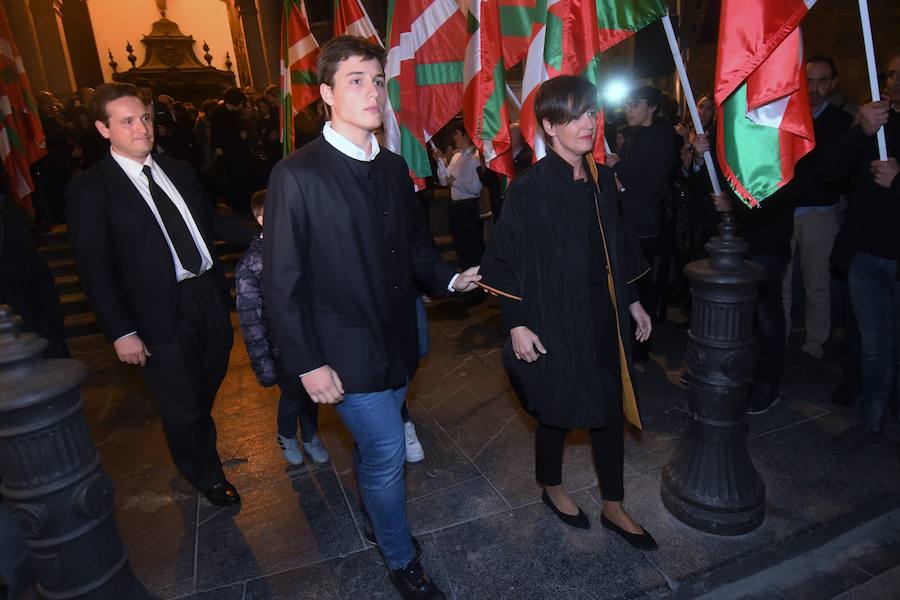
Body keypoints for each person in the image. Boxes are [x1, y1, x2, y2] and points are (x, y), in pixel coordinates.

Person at [263, 36, 481, 599]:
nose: (372, 92)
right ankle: (400, 557)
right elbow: (280, 284)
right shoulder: (297, 174)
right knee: (385, 449)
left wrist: (451, 279)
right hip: (341, 351)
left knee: (375, 452)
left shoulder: (390, 167)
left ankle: (376, 514)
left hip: (398, 340)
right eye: (356, 80)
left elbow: (414, 249)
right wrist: (308, 364)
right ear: (326, 95)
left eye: (378, 80)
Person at [478, 75, 657, 550]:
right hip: (551, 320)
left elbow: (619, 244)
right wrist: (515, 322)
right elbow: (503, 260)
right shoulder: (529, 189)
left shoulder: (602, 180)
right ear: (549, 126)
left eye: (592, 113)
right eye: (574, 115)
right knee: (556, 411)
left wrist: (634, 300)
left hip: (602, 317)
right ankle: (552, 486)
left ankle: (614, 505)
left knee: (609, 410)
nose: (587, 123)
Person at [65, 83, 254, 506]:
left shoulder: (181, 170)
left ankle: (190, 435)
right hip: (153, 312)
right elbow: (94, 270)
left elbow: (211, 222)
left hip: (206, 294)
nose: (141, 128)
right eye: (127, 121)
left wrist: (264, 235)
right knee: (181, 400)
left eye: (145, 118)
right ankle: (204, 472)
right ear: (103, 128)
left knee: (209, 375)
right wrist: (121, 331)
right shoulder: (90, 190)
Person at [823, 52, 900, 447]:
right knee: (873, 342)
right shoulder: (874, 121)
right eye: (891, 74)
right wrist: (860, 132)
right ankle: (872, 421)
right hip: (866, 254)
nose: (895, 81)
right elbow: (831, 169)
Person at [235, 190, 330, 466]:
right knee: (292, 396)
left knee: (313, 392)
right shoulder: (251, 264)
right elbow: (250, 320)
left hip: (309, 339)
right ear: (263, 219)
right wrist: (263, 364)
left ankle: (311, 436)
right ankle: (286, 434)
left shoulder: (299, 249)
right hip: (281, 348)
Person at [781, 57, 853, 360]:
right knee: (780, 281)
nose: (814, 88)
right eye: (809, 81)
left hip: (819, 213)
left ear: (833, 83)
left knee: (817, 282)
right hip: (785, 212)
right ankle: (779, 336)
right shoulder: (787, 117)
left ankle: (815, 341)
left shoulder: (840, 122)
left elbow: (838, 168)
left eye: (822, 81)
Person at [608, 84, 677, 341]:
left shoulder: (660, 138)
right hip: (627, 220)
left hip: (645, 225)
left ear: (652, 107)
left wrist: (619, 166)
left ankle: (641, 340)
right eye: (626, 104)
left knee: (639, 283)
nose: (629, 110)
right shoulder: (633, 136)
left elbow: (650, 188)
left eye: (635, 104)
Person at [433, 122, 484, 269]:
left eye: (456, 134)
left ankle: (479, 285)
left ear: (464, 135)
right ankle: (466, 279)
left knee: (473, 248)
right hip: (455, 207)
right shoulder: (456, 157)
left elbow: (476, 188)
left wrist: (455, 182)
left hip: (469, 208)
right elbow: (444, 180)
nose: (454, 138)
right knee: (460, 246)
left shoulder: (475, 158)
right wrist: (440, 163)